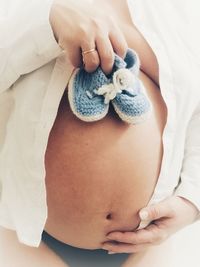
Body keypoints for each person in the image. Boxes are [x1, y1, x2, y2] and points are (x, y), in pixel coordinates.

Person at [0, 0, 200, 266]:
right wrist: (48, 20)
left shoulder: (183, 10)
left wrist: (192, 200)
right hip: (23, 240)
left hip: (155, 244)